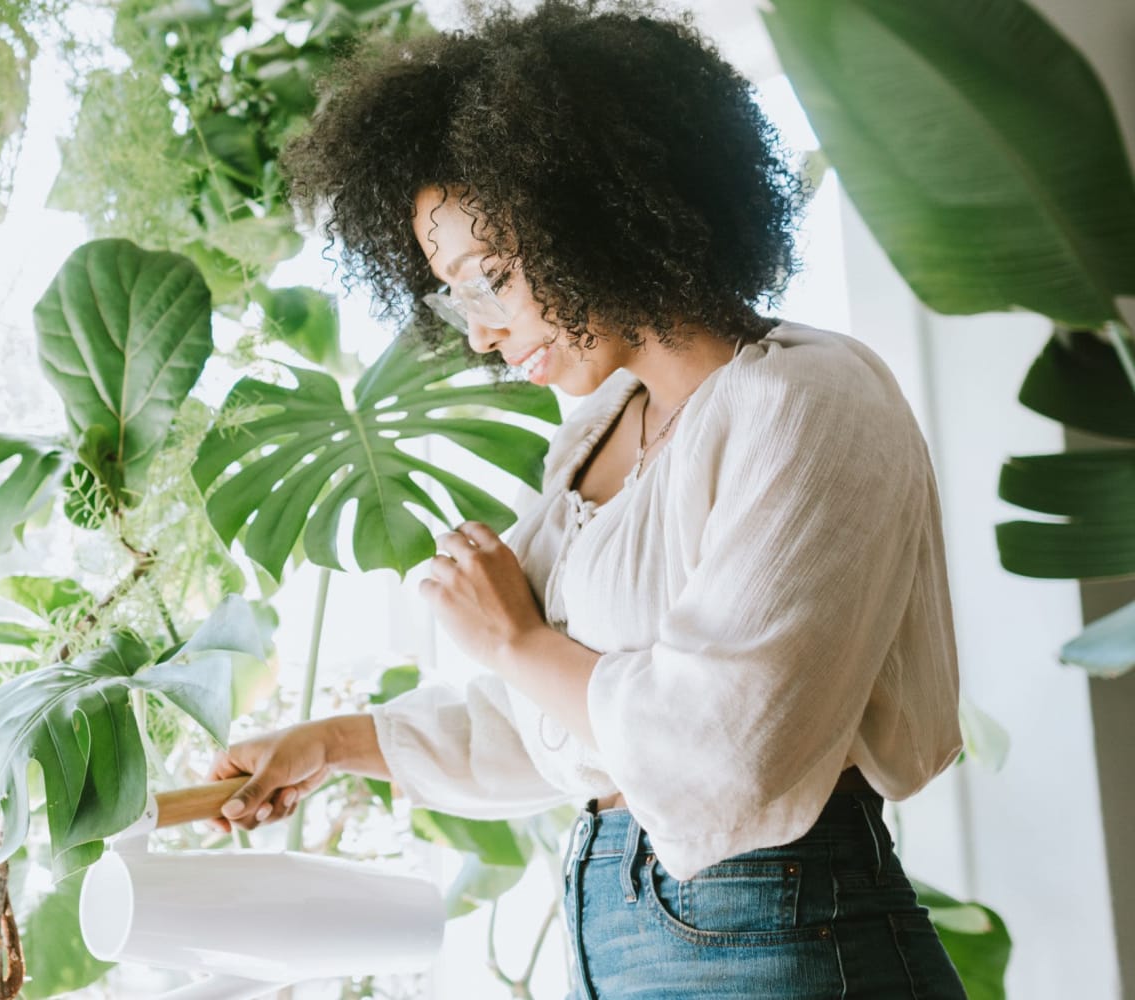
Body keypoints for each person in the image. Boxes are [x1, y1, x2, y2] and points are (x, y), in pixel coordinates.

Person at [202, 2, 969, 996]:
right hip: (611, 925)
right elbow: (556, 719)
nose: (478, 331)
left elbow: (726, 752)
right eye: (454, 291)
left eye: (494, 275)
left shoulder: (807, 399)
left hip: (778, 934)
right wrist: (332, 744)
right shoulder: (595, 433)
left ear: (597, 207)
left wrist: (518, 640)